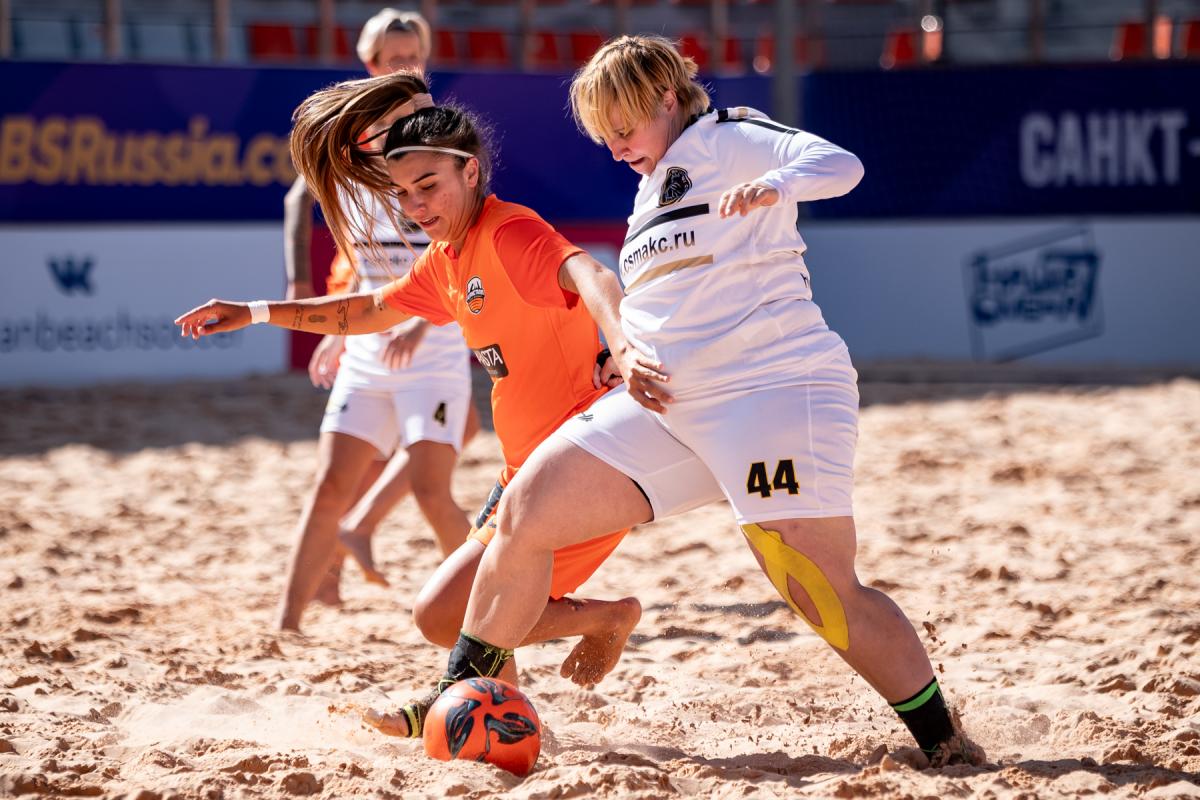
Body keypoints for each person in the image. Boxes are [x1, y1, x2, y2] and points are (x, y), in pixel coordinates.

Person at [361, 34, 985, 767]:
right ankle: (455, 696)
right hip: (664, 403)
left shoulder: (731, 136)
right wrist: (618, 353)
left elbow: (840, 166)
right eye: (605, 136)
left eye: (624, 127)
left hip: (769, 390)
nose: (617, 147)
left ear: (666, 97)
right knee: (525, 510)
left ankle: (945, 741)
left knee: (818, 590)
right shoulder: (651, 186)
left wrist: (775, 186)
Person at [176, 71, 719, 735]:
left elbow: (592, 273)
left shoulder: (509, 233)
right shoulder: (446, 257)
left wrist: (624, 348)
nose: (415, 205)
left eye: (428, 187)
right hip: (522, 474)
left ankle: (469, 705)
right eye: (403, 194)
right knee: (446, 612)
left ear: (470, 171)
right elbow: (367, 309)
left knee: (461, 607)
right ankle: (561, 666)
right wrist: (257, 311)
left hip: (582, 467)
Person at [277, 8, 481, 626]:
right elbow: (298, 200)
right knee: (331, 484)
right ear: (370, 65)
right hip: (369, 340)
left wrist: (423, 319)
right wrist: (315, 303)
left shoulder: (441, 145)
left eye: (414, 57)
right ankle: (288, 621)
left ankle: (484, 616)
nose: (407, 68)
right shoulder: (352, 155)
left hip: (435, 339)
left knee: (433, 486)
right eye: (395, 59)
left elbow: (462, 248)